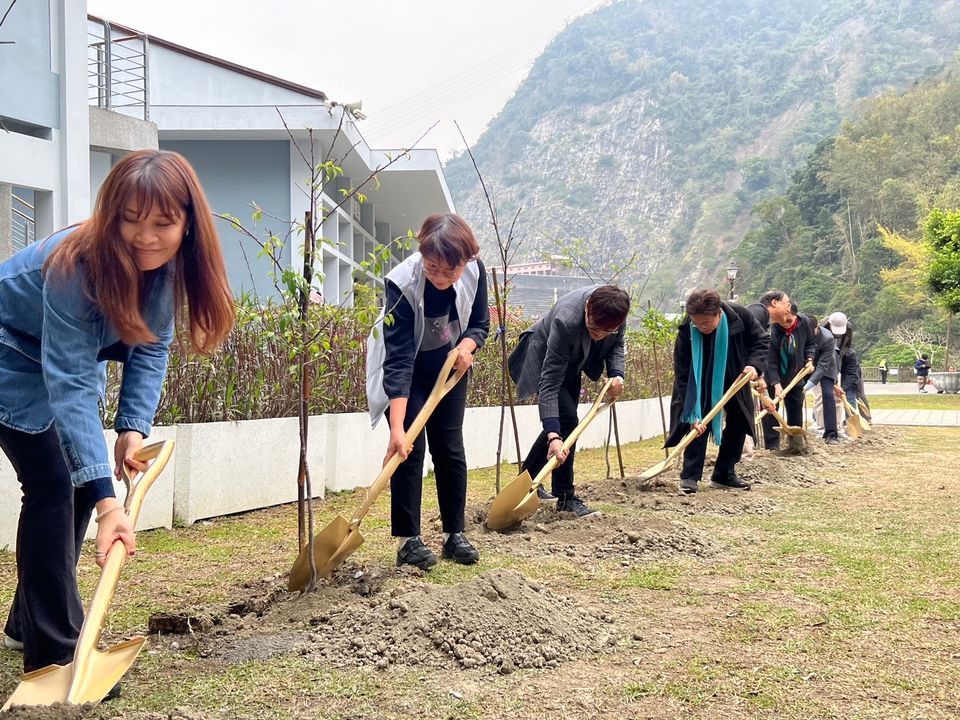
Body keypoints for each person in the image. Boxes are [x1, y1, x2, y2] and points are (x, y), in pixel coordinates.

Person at [0, 150, 235, 678]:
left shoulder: (168, 270)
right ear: (111, 215)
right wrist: (110, 508)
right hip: (7, 354)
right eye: (129, 220)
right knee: (55, 486)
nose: (144, 237)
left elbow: (149, 348)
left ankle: (27, 621)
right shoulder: (74, 266)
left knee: (83, 484)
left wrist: (132, 431)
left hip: (53, 362)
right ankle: (55, 653)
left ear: (188, 223)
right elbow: (74, 383)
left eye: (162, 223)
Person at [366, 213, 489, 570]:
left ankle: (455, 534)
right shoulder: (402, 284)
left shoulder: (476, 273)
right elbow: (399, 359)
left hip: (451, 368)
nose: (438, 278)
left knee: (450, 448)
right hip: (408, 374)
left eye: (449, 272)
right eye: (432, 267)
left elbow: (480, 324)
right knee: (408, 450)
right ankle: (409, 541)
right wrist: (397, 429)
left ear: (465, 262)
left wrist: (468, 346)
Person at [509, 285, 629, 517]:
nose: (600, 335)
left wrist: (617, 374)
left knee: (563, 424)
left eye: (607, 331)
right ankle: (565, 496)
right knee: (566, 422)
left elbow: (617, 346)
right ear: (587, 308)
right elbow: (551, 382)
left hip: (574, 363)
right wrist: (553, 435)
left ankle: (527, 479)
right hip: (544, 356)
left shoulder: (616, 312)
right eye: (595, 328)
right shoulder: (566, 320)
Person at [667, 289, 769, 494]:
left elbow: (761, 341)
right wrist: (691, 409)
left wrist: (754, 366)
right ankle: (689, 476)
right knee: (698, 423)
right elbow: (683, 372)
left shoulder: (740, 316)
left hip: (735, 379)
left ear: (718, 314)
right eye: (697, 323)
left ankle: (724, 473)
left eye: (706, 323)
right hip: (699, 382)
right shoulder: (687, 329)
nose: (701, 328)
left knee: (739, 422)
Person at [744, 290, 792, 451]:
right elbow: (746, 346)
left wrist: (760, 377)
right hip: (734, 374)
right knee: (740, 414)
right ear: (774, 303)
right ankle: (742, 457)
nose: (789, 309)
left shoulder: (763, 321)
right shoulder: (755, 312)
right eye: (787, 304)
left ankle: (744, 456)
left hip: (745, 374)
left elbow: (755, 350)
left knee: (743, 413)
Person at [766, 302, 816, 453]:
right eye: (782, 321)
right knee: (770, 409)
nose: (785, 324)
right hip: (773, 375)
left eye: (789, 320)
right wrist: (775, 384)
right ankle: (772, 446)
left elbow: (810, 344)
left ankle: (795, 445)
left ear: (794, 316)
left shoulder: (805, 323)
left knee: (795, 409)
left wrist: (809, 359)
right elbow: (770, 361)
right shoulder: (772, 330)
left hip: (796, 375)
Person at [803, 315, 840, 444]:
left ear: (817, 327)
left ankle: (831, 434)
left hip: (827, 366)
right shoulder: (801, 334)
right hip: (806, 364)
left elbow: (823, 365)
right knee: (796, 393)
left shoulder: (827, 338)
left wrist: (809, 384)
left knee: (828, 395)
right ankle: (797, 432)